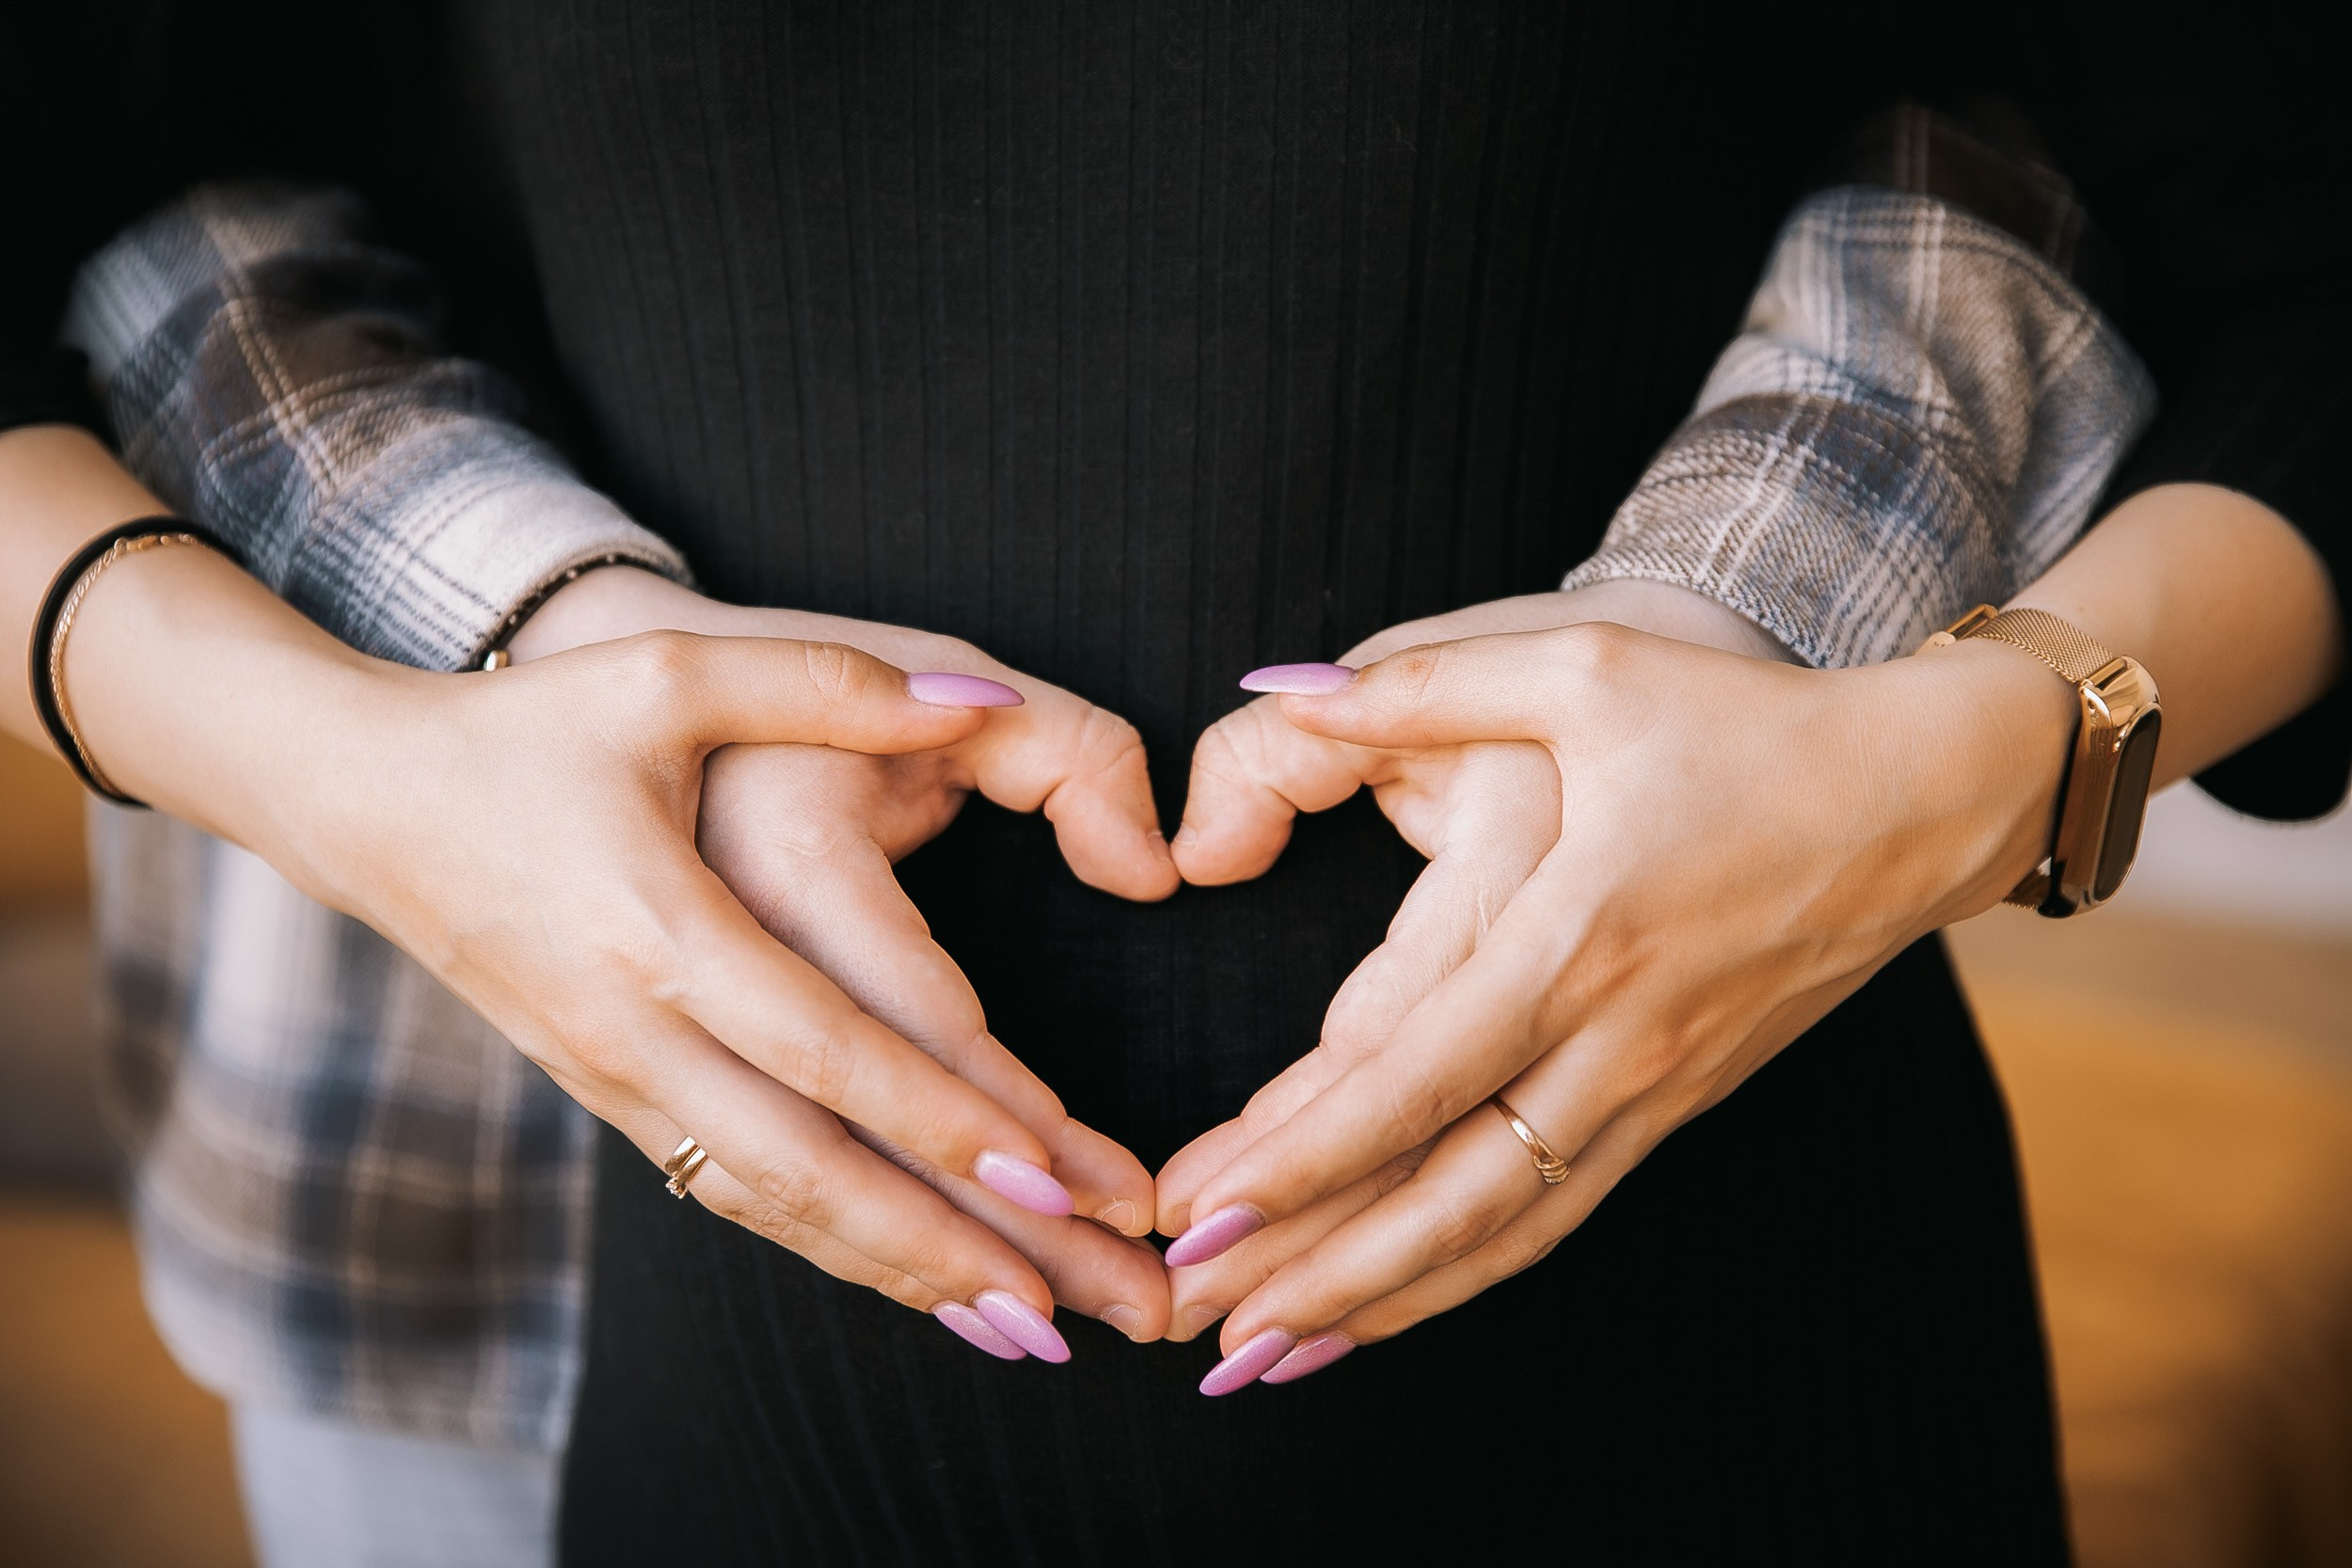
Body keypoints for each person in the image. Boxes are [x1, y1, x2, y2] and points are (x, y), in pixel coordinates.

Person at [4, 3, 2344, 1563]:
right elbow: (133, 159)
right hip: (563, 1295)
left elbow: (2248, 200)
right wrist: (395, 744)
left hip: (1735, 1364)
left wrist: (1980, 757)